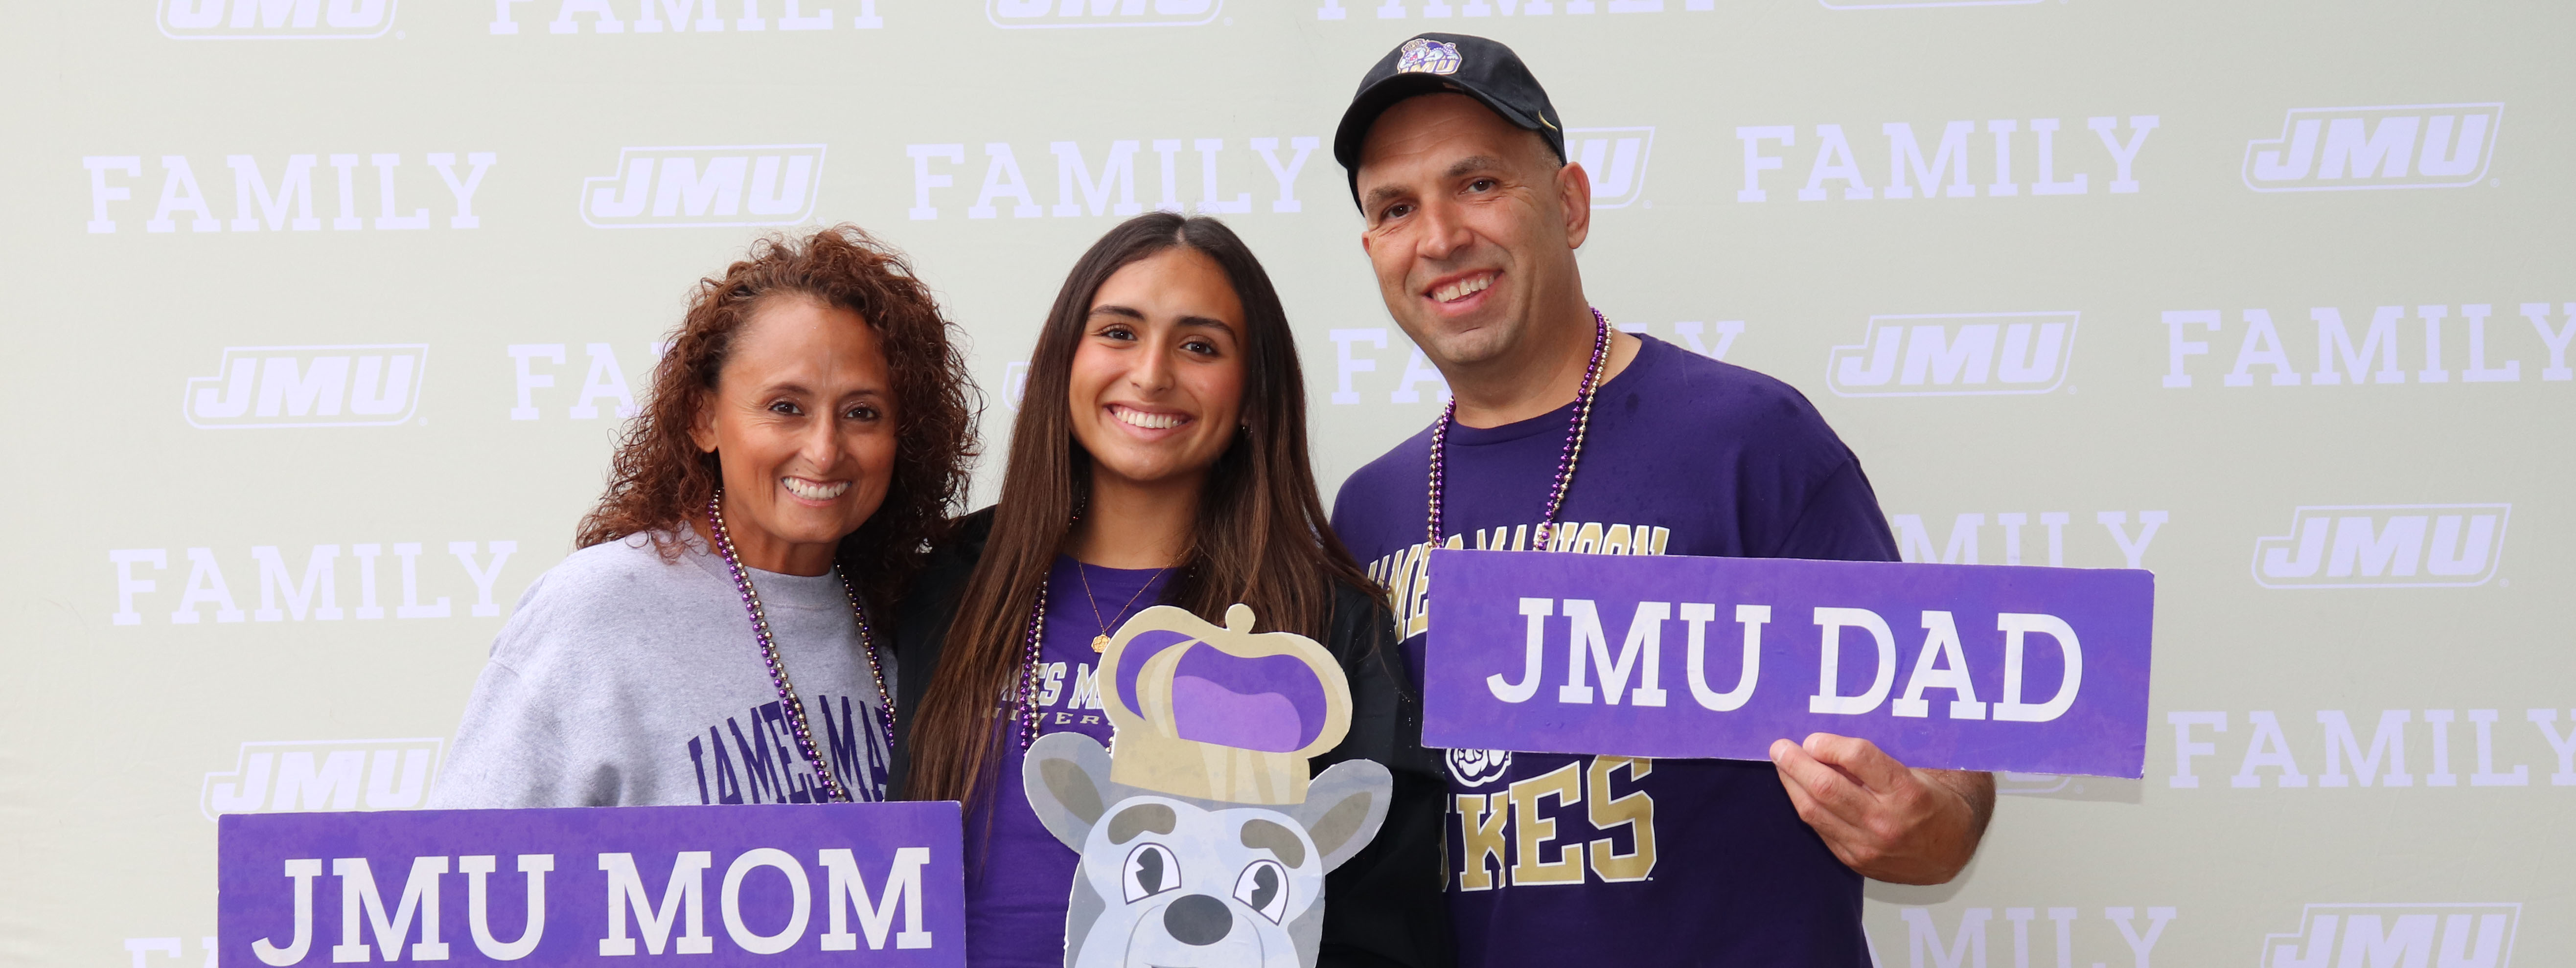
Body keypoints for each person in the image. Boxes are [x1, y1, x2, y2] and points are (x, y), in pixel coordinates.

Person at [1325, 34, 1996, 964]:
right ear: (1373, 247)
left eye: (1478, 184)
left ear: (1568, 204)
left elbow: (1941, 763)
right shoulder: (1367, 510)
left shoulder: (1749, 437)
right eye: (1396, 207)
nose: (1439, 236)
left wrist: (1930, 821)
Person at [892, 212, 1449, 968]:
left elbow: (1380, 922)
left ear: (1253, 393)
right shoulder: (947, 583)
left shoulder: (1328, 623)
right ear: (1064, 360)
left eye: (1199, 346)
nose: (1152, 372)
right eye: (1118, 332)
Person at [432, 226, 976, 808]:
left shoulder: (915, 615)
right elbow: (466, 875)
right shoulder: (595, 611)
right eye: (785, 407)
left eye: (862, 412)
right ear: (703, 417)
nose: (824, 450)